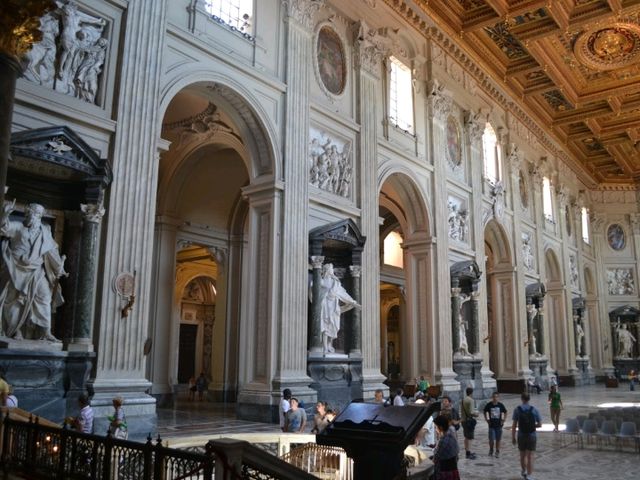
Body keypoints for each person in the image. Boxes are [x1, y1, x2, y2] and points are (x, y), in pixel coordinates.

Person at [0, 202, 67, 341]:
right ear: (26, 214)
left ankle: (46, 332)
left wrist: (59, 267)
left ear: (40, 216)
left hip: (37, 270)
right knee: (14, 300)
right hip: (16, 269)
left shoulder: (45, 231)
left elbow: (52, 250)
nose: (32, 216)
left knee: (44, 298)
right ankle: (15, 330)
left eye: (36, 214)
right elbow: (4, 227)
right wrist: (5, 214)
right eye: (30, 213)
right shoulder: (18, 228)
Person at [312, 263, 360, 353]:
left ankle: (330, 344)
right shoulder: (322, 281)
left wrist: (352, 302)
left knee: (333, 326)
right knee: (325, 327)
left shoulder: (336, 283)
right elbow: (314, 287)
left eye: (332, 269)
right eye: (330, 268)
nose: (332, 270)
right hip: (325, 306)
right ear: (326, 270)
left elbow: (343, 294)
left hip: (334, 307)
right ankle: (325, 346)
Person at [512, 393, 542, 480]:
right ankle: (529, 475)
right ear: (529, 399)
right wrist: (532, 426)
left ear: (521, 399)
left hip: (521, 435)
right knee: (530, 456)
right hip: (531, 435)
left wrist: (513, 437)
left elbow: (514, 425)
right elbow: (540, 424)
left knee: (522, 455)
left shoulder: (517, 410)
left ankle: (524, 471)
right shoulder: (534, 409)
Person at [432, 414, 460, 480]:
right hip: (453, 467)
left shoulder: (444, 439)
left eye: (436, 427)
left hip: (445, 470)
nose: (435, 429)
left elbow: (436, 457)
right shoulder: (452, 430)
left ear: (441, 427)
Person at [483, 392, 507, 458]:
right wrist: (487, 419)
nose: (495, 398)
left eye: (496, 397)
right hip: (491, 425)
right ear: (492, 397)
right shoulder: (489, 405)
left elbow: (505, 412)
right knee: (491, 439)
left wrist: (503, 420)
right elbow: (484, 411)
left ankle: (497, 451)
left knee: (498, 439)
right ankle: (491, 450)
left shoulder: (500, 405)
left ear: (498, 398)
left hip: (499, 425)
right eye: (494, 397)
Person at [460, 387, 479, 459]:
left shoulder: (463, 400)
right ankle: (468, 452)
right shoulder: (471, 400)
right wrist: (476, 414)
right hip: (469, 421)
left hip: (463, 420)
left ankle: (467, 451)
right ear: (471, 393)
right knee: (470, 437)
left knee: (466, 437)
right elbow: (471, 412)